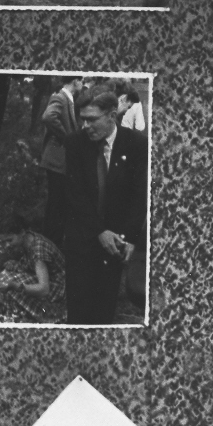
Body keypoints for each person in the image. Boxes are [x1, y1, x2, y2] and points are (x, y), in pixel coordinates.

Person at [61, 90, 148, 325]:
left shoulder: (136, 145)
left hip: (115, 244)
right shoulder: (75, 143)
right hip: (83, 237)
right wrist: (99, 231)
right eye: (82, 119)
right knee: (78, 311)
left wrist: (130, 238)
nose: (85, 126)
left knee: (104, 310)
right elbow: (75, 194)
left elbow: (139, 195)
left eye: (91, 119)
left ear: (112, 116)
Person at [0, 214, 68, 323]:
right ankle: (7, 309)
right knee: (6, 274)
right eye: (4, 242)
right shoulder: (30, 238)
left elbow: (44, 289)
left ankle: (44, 316)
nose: (7, 245)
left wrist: (14, 286)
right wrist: (18, 265)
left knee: (9, 282)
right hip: (52, 281)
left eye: (10, 240)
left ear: (22, 232)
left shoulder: (38, 250)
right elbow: (34, 266)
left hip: (61, 290)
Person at [39, 76, 83, 244]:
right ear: (75, 81)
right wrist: (66, 137)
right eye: (82, 81)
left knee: (58, 204)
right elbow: (48, 117)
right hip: (56, 159)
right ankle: (49, 244)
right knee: (55, 205)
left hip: (60, 161)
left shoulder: (69, 99)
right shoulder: (61, 97)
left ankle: (52, 244)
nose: (82, 84)